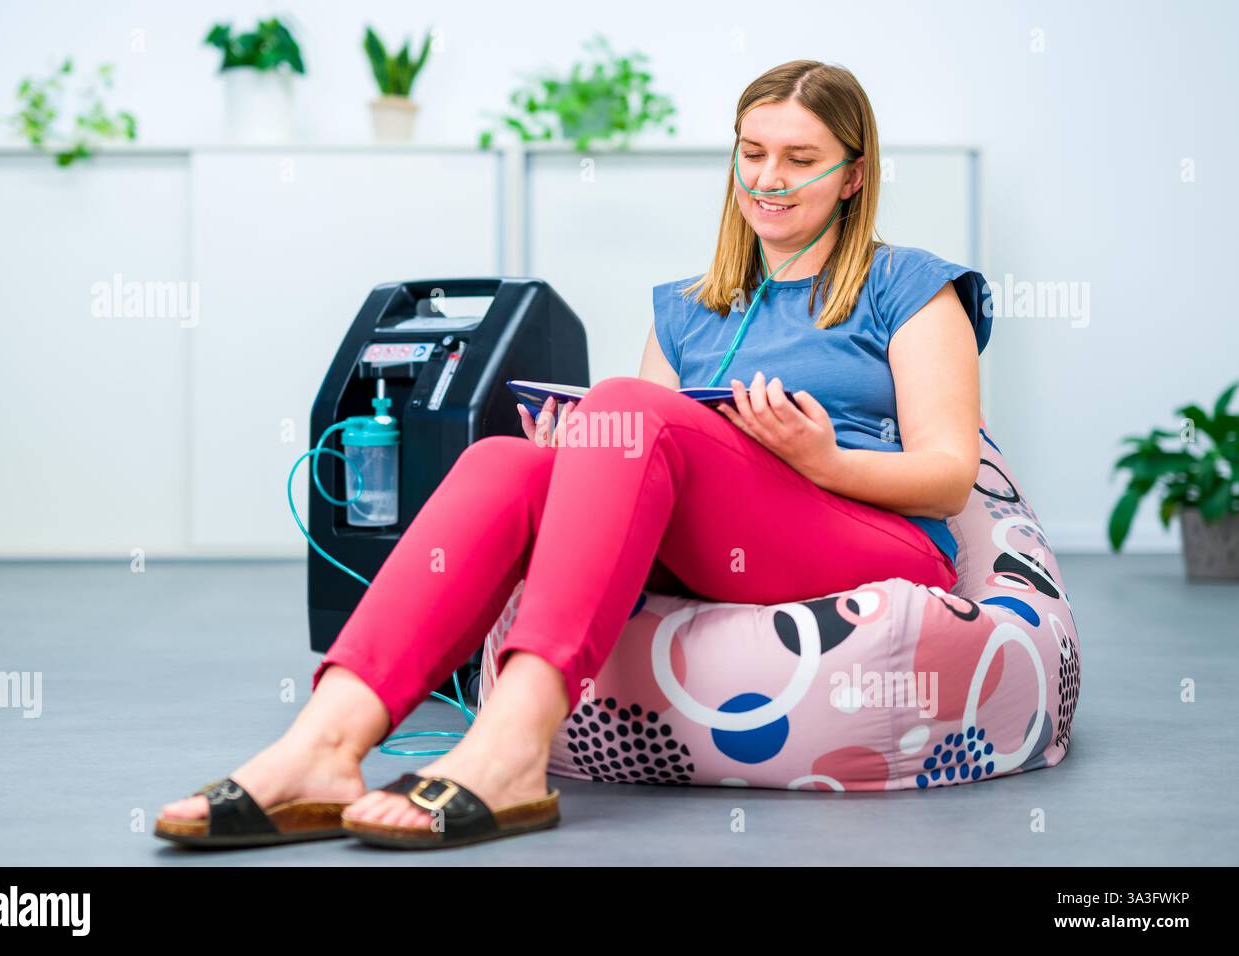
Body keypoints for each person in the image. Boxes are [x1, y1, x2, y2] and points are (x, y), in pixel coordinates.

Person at [156, 58, 992, 850]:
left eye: (799, 158)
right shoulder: (690, 310)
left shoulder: (909, 286)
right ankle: (324, 746)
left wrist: (821, 459)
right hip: (719, 547)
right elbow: (650, 460)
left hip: (867, 531)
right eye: (752, 153)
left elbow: (950, 479)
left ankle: (514, 747)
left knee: (626, 408)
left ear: (853, 172)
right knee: (507, 465)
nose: (767, 178)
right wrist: (577, 459)